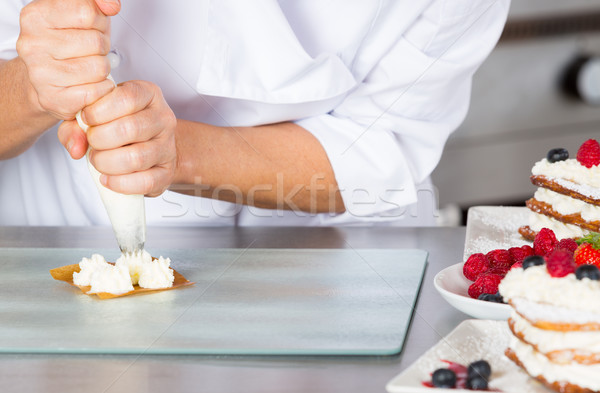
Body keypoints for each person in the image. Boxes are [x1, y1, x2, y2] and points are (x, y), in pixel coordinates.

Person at [0, 0, 510, 227]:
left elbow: (382, 149)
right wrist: (30, 88)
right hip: (56, 244)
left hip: (327, 280)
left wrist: (174, 153)